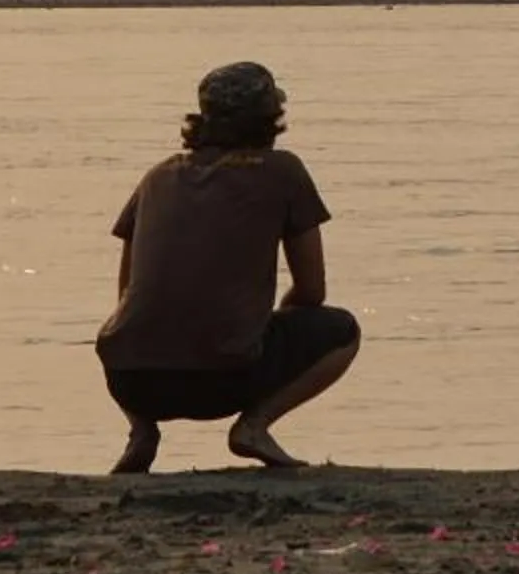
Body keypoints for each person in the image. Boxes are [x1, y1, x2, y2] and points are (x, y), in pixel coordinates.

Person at [98, 62, 360, 474]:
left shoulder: (158, 176)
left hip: (130, 380)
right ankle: (254, 426)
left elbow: (126, 296)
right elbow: (311, 291)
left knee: (132, 327)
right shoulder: (284, 171)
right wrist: (259, 323)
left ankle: (142, 432)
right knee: (342, 330)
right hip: (222, 379)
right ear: (271, 119)